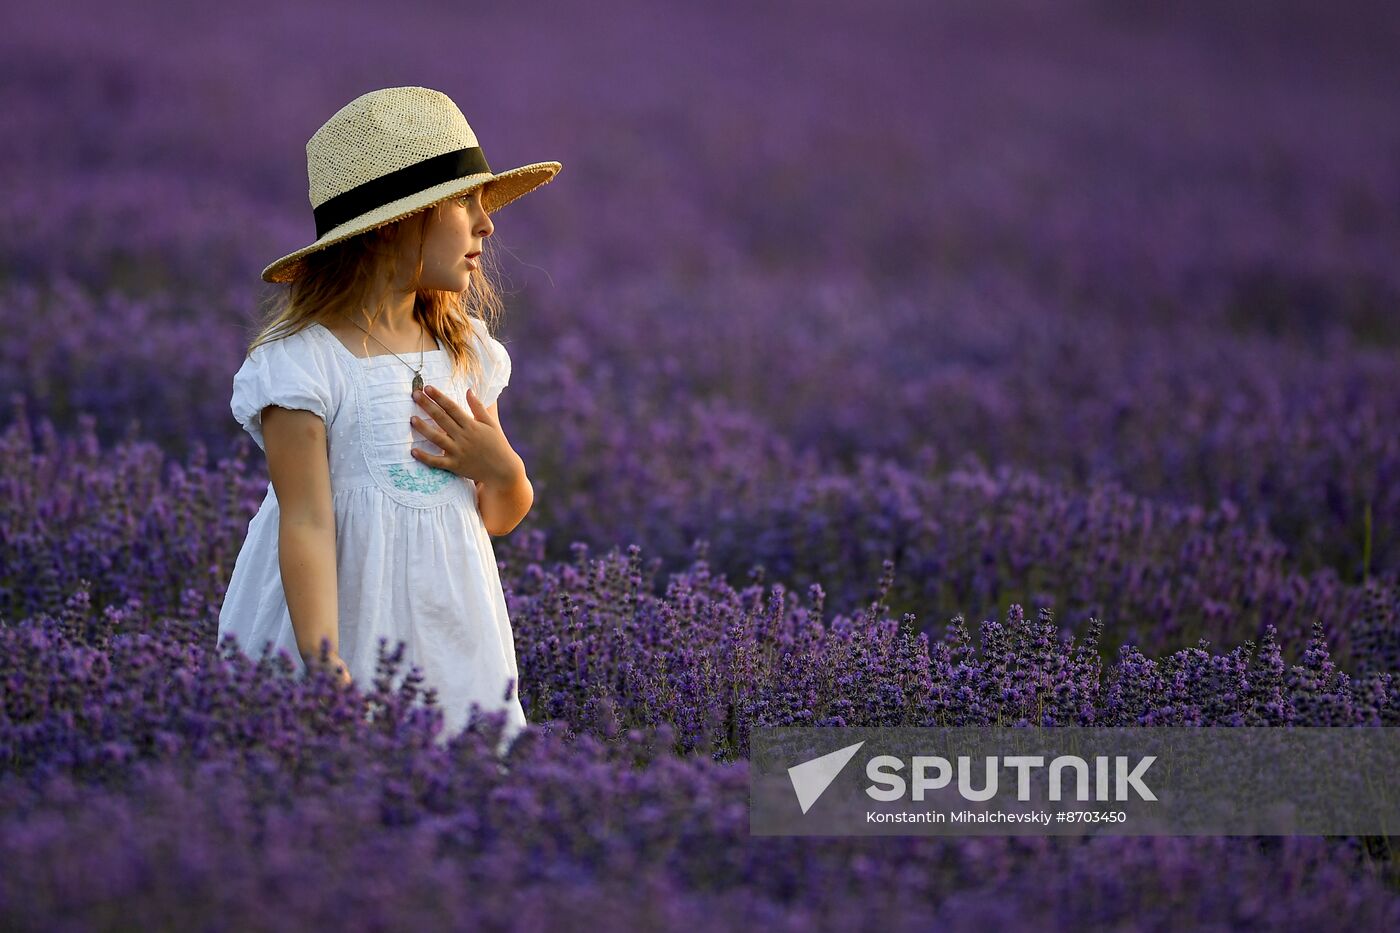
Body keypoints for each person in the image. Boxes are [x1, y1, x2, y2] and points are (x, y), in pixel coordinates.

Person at [215, 86, 562, 751]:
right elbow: (307, 521)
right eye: (466, 203)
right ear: (395, 222)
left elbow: (494, 513)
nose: (487, 226)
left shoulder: (463, 353)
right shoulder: (305, 366)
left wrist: (504, 468)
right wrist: (321, 662)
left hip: (451, 631)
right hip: (340, 626)